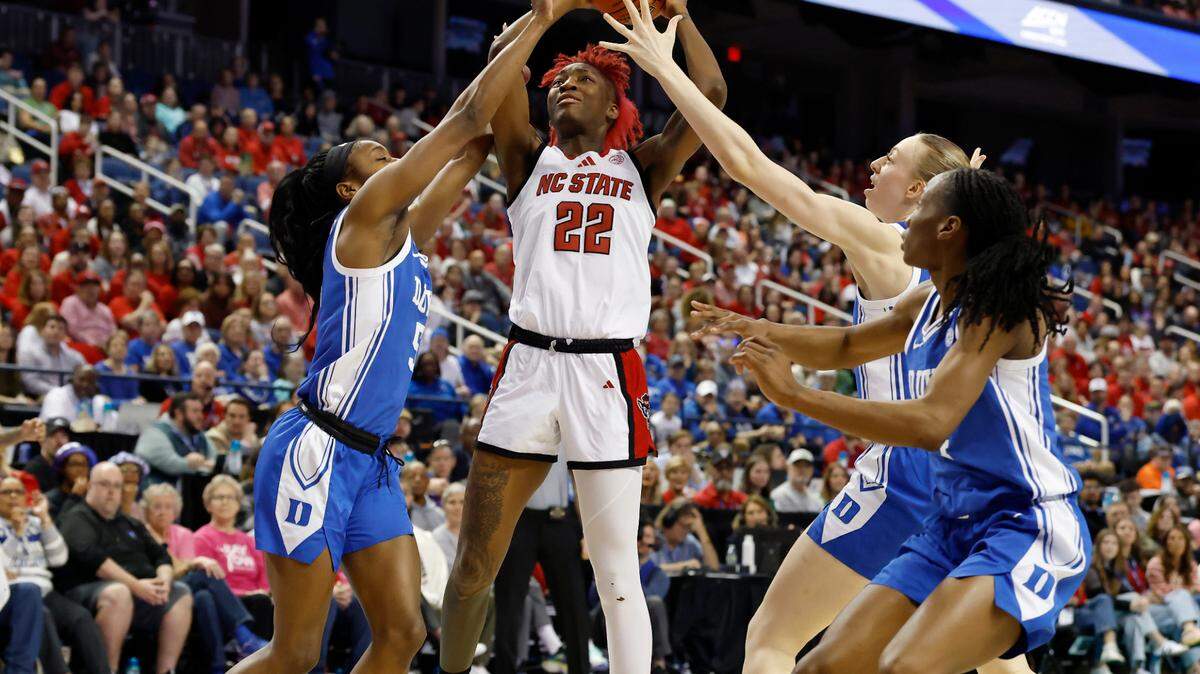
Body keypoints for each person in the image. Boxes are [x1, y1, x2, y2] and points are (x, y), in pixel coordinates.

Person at [604, 7, 1005, 673]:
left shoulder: (884, 240)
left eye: (890, 159)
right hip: (974, 484)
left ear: (919, 191)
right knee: (992, 663)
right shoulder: (973, 261)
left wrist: (663, 69)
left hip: (905, 478)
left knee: (771, 641)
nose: (873, 165)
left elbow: (749, 166)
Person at [231, 7, 571, 672]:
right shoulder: (360, 221)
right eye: (377, 156)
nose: (393, 154)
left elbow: (476, 147)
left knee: (404, 632)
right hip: (317, 450)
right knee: (296, 652)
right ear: (353, 186)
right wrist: (542, 18)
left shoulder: (403, 240)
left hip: (373, 464)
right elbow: (465, 123)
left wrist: (516, 69)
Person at [703, 168, 1085, 672]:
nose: (907, 222)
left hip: (1024, 521)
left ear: (949, 228)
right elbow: (846, 345)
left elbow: (930, 423)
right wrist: (761, 331)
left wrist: (794, 394)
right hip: (952, 523)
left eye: (920, 209)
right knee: (822, 667)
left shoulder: (997, 310)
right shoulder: (924, 302)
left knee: (905, 667)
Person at [444, 4, 725, 669]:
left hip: (606, 373)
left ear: (615, 109)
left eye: (584, 77)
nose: (564, 80)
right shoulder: (525, 158)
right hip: (529, 363)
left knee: (618, 574)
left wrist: (680, 17)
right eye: (558, 77)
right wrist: (545, 16)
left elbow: (711, 96)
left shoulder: (645, 166)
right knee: (473, 563)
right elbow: (498, 64)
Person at [56, 462, 194, 674]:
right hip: (89, 591)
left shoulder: (130, 523)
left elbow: (161, 556)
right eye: (104, 485)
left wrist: (163, 583)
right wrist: (136, 586)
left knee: (181, 592)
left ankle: (167, 670)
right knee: (118, 593)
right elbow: (95, 560)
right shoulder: (77, 517)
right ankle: (107, 669)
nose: (111, 492)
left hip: (140, 592)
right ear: (90, 486)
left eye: (117, 486)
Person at [0, 476, 110, 674]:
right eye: (6, 492)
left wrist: (45, 519)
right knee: (42, 615)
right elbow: (2, 568)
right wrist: (16, 533)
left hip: (45, 592)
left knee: (81, 617)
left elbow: (59, 558)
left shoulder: (35, 522)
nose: (13, 496)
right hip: (13, 594)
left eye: (19, 491)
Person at [491, 459, 591, 674]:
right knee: (509, 602)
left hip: (560, 519)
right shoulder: (514, 425)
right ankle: (504, 669)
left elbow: (579, 478)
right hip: (520, 517)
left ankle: (581, 669)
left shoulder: (570, 427)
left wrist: (587, 531)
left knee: (574, 603)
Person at [134, 393, 216, 485]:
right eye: (195, 411)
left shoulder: (197, 433)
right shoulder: (155, 433)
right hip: (157, 493)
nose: (201, 416)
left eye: (201, 411)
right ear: (179, 413)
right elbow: (172, 465)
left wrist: (202, 464)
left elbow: (214, 459)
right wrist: (191, 464)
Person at [18, 315, 85, 397]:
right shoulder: (30, 353)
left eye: (61, 328)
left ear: (65, 335)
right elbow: (30, 382)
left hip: (68, 399)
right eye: (52, 327)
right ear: (43, 331)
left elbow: (84, 375)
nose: (56, 331)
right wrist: (57, 392)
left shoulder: (74, 356)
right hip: (39, 398)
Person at [651, 500, 719, 574]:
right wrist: (683, 566)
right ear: (669, 521)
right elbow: (647, 570)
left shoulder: (689, 541)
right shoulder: (652, 539)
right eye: (682, 526)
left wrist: (701, 531)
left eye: (688, 526)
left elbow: (713, 567)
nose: (686, 530)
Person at [768, 449, 824, 514]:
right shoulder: (778, 495)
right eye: (798, 465)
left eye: (806, 466)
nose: (803, 470)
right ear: (788, 467)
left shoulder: (816, 498)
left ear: (812, 470)